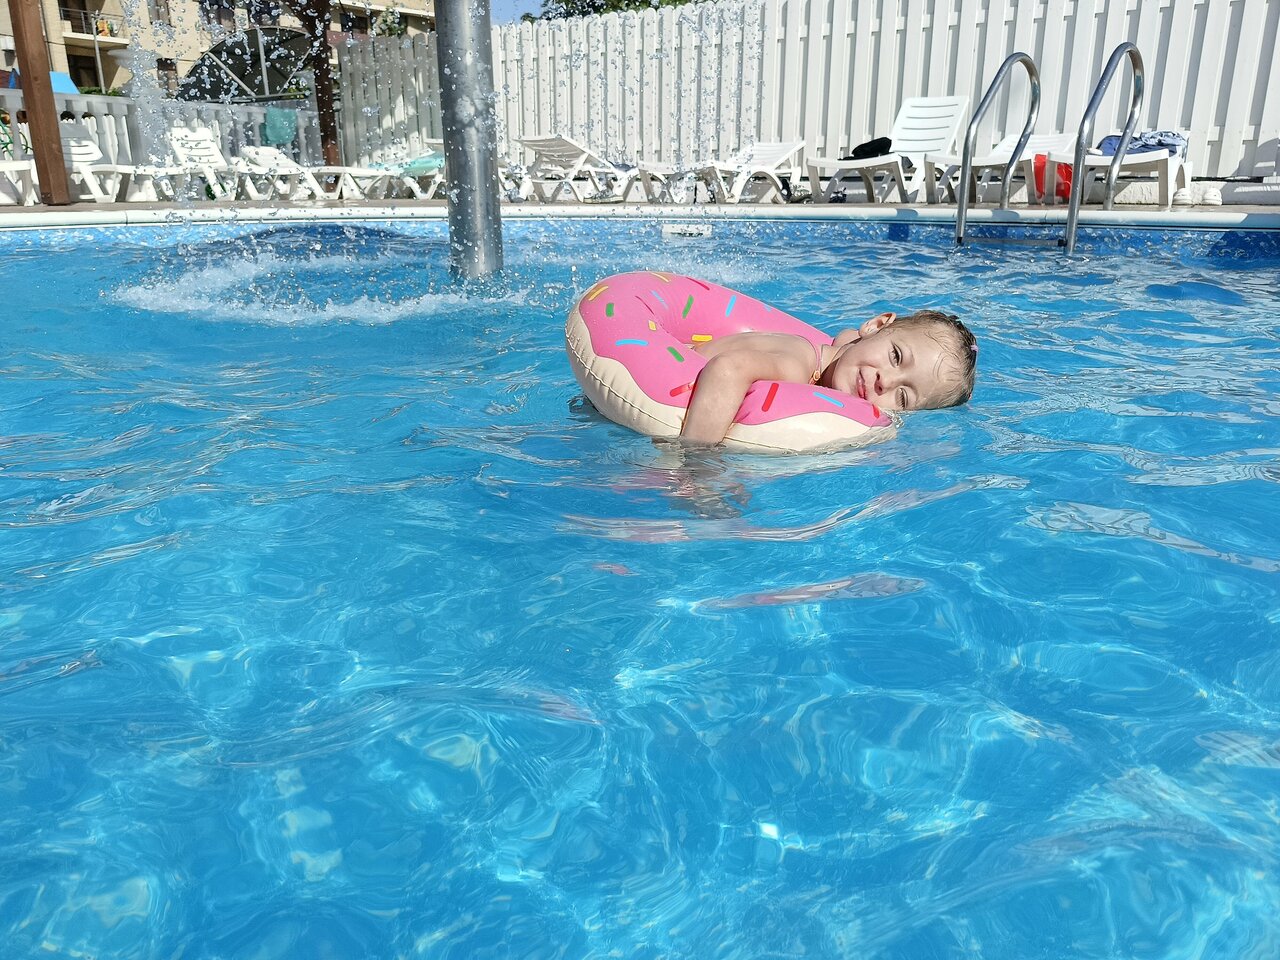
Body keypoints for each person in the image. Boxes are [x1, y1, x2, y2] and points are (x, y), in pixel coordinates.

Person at [678, 309, 977, 446]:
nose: (884, 382)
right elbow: (729, 368)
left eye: (902, 396)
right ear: (875, 325)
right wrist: (699, 468)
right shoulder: (798, 365)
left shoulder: (843, 350)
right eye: (896, 356)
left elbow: (846, 339)